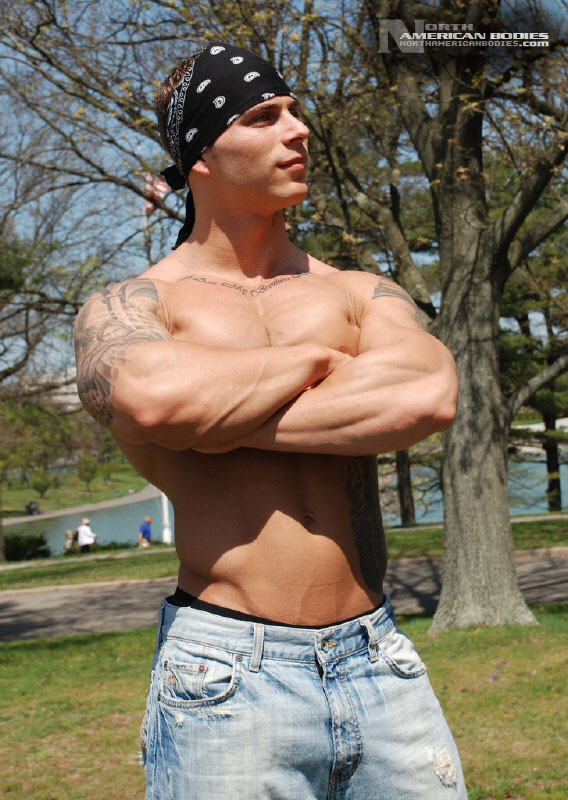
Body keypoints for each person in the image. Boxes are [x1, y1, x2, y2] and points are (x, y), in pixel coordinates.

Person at [74, 42, 466, 799]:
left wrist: (218, 420)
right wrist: (321, 360)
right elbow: (150, 399)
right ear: (201, 157)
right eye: (263, 117)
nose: (298, 129)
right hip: (227, 671)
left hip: (379, 658)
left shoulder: (357, 290)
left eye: (294, 110)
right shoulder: (136, 304)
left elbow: (425, 395)